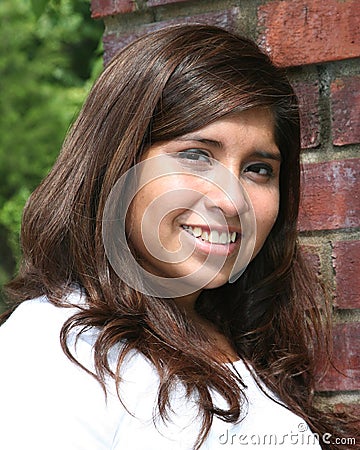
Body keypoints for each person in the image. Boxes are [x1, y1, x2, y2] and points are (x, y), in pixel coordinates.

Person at [0, 24, 356, 449]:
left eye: (258, 169)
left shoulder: (247, 347)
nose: (230, 201)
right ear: (116, 162)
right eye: (196, 155)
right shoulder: (57, 347)